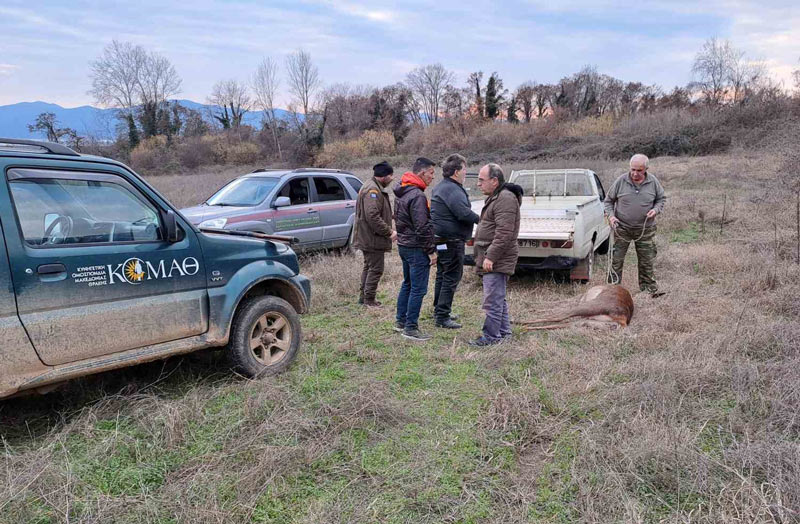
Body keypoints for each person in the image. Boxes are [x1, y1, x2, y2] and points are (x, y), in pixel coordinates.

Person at [469, 163, 523, 347]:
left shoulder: (505, 199)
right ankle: (504, 333)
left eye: (481, 180)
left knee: (492, 300)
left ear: (494, 181)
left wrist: (490, 256)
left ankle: (491, 337)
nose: (478, 184)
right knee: (497, 298)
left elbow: (504, 233)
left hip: (498, 258)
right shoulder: (497, 197)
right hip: (495, 256)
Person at [603, 153, 666, 295]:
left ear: (646, 169)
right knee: (615, 261)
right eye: (633, 169)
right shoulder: (621, 181)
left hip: (645, 229)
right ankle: (612, 291)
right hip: (621, 228)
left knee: (646, 260)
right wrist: (611, 217)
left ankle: (648, 290)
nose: (635, 174)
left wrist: (655, 210)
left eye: (639, 170)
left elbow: (661, 199)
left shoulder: (653, 182)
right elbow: (608, 201)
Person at [431, 153, 479, 329]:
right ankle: (442, 316)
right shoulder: (452, 189)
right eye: (464, 169)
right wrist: (482, 220)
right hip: (452, 240)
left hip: (441, 239)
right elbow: (463, 213)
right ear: (456, 171)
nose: (466, 172)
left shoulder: (442, 187)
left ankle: (439, 310)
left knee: (442, 275)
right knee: (451, 276)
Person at [393, 157, 437, 341]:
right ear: (422, 173)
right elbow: (422, 227)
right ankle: (410, 328)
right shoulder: (417, 195)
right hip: (416, 248)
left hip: (404, 245)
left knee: (408, 284)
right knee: (418, 289)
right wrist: (431, 251)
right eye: (431, 173)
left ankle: (400, 321)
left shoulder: (402, 190)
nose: (433, 177)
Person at [353, 160, 397, 307]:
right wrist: (389, 232)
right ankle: (369, 300)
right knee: (376, 269)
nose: (392, 178)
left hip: (367, 236)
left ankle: (364, 298)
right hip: (372, 238)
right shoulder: (373, 190)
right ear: (384, 176)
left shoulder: (371, 186)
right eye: (390, 175)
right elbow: (372, 216)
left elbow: (375, 212)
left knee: (369, 266)